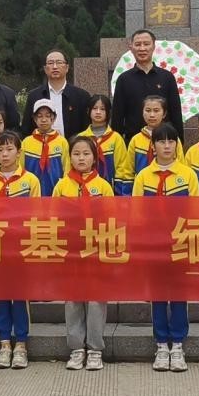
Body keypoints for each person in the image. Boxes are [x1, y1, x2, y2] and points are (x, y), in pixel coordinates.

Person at [131, 123, 199, 373]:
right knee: (158, 295)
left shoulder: (188, 175)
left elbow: (195, 210)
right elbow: (137, 213)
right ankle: (161, 343)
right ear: (154, 146)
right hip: (154, 244)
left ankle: (178, 344)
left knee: (179, 294)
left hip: (180, 242)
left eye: (172, 141)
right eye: (161, 141)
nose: (167, 146)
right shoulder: (143, 177)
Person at [0, 131, 41, 370]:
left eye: (9, 149)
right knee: (2, 296)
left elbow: (36, 215)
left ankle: (21, 343)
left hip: (20, 247)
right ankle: (4, 343)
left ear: (19, 152)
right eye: (0, 150)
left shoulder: (31, 180)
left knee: (20, 296)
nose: (5, 154)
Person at [54, 135, 115, 370]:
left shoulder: (103, 186)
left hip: (96, 249)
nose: (81, 158)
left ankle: (95, 349)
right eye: (76, 154)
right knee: (73, 299)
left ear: (95, 158)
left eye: (86, 154)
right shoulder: (62, 186)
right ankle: (77, 347)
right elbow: (54, 217)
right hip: (70, 250)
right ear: (69, 157)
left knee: (96, 299)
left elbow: (111, 218)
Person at [111, 29, 184, 142]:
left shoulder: (167, 77)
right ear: (131, 47)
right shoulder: (124, 79)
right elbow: (117, 116)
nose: (142, 48)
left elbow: (176, 113)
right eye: (138, 44)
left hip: (164, 142)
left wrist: (179, 141)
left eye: (146, 44)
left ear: (154, 46)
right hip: (134, 143)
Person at [21, 49, 92, 140]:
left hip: (74, 150)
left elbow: (87, 128)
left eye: (59, 62)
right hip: (43, 150)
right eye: (50, 63)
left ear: (67, 67)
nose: (55, 66)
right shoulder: (34, 96)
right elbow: (26, 129)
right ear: (45, 69)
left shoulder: (81, 96)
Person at [76, 94, 127, 195]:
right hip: (84, 188)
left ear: (108, 113)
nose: (98, 112)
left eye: (102, 109)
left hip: (110, 189)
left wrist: (117, 189)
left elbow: (122, 166)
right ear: (88, 111)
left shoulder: (115, 138)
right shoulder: (81, 137)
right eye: (95, 108)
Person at [119, 95, 167, 185]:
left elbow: (180, 167)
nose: (152, 115)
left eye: (156, 111)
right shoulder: (136, 140)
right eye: (148, 110)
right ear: (142, 112)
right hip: (140, 188)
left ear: (164, 114)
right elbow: (128, 170)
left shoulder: (172, 139)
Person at [23, 102, 69, 196]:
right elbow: (20, 166)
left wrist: (63, 187)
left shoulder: (62, 141)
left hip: (55, 190)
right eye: (40, 116)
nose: (44, 120)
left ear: (54, 118)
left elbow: (67, 167)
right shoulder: (26, 142)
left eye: (48, 116)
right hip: (31, 191)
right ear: (35, 119)